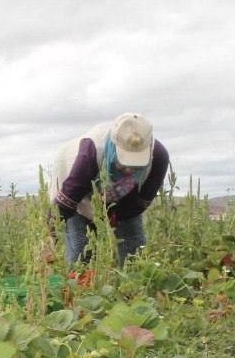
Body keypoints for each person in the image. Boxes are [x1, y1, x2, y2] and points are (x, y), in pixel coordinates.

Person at [51, 113, 169, 265]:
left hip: (125, 196)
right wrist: (50, 237)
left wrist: (113, 217)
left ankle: (131, 285)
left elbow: (139, 204)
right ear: (114, 148)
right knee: (82, 252)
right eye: (124, 162)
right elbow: (65, 205)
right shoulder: (90, 153)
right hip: (78, 195)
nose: (129, 170)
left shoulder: (158, 157)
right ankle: (79, 285)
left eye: (136, 165)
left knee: (134, 249)